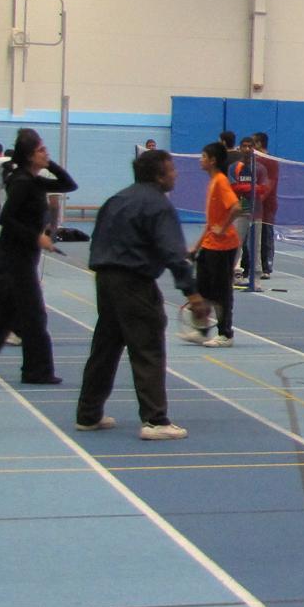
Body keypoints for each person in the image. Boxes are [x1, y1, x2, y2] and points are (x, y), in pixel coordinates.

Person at [76, 150, 210, 440]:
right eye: (171, 170)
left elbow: (97, 241)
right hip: (135, 282)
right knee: (147, 347)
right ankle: (155, 420)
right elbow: (174, 253)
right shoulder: (158, 205)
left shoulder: (115, 200)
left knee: (105, 347)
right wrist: (193, 293)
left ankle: (88, 414)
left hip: (105, 279)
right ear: (159, 175)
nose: (176, 174)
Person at [0, 130, 75, 385]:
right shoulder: (21, 182)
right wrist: (36, 237)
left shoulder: (36, 180)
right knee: (34, 316)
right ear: (30, 156)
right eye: (42, 150)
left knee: (4, 317)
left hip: (23, 257)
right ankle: (36, 371)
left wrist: (48, 163)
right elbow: (6, 219)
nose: (46, 153)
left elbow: (68, 184)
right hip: (13, 259)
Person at [193, 141, 242, 347]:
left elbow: (237, 207)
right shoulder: (212, 182)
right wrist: (195, 248)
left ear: (212, 160)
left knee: (221, 293)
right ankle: (203, 329)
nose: (200, 160)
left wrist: (222, 228)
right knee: (202, 290)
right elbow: (210, 222)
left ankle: (225, 334)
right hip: (209, 245)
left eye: (203, 156)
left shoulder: (221, 181)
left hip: (224, 247)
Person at [249, 132, 279, 277]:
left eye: (253, 143)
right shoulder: (251, 160)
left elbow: (270, 184)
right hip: (252, 205)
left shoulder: (271, 161)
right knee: (252, 236)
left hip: (267, 205)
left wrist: (258, 199)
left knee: (266, 235)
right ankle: (249, 266)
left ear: (260, 143)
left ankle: (266, 268)